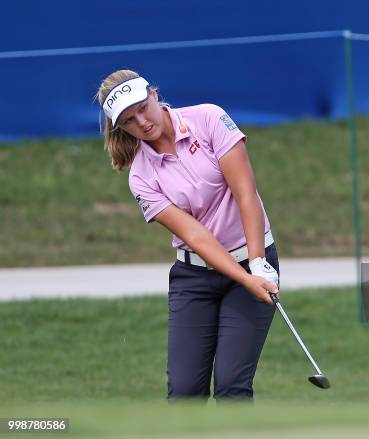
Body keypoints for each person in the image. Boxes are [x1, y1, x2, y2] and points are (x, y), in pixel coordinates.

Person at [96, 69, 280, 402]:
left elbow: (245, 193)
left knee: (232, 388)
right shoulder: (141, 176)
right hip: (193, 277)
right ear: (121, 128)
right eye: (129, 120)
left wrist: (257, 264)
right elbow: (196, 236)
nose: (142, 122)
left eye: (142, 108)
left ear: (153, 93)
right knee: (184, 393)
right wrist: (244, 277)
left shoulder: (209, 118)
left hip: (252, 258)